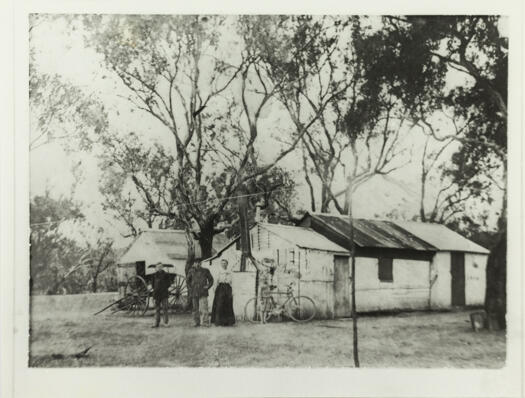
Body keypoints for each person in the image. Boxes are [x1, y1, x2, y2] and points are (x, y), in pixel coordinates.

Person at [187, 260, 214, 327]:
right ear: (194, 264)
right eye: (196, 263)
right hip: (194, 292)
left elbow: (211, 280)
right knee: (195, 308)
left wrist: (207, 286)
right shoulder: (191, 271)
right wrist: (191, 288)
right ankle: (196, 322)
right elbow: (187, 281)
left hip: (203, 292)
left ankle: (205, 322)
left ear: (201, 263)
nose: (197, 264)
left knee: (204, 308)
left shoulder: (205, 270)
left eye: (199, 263)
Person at [211, 259, 236, 326]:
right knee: (219, 304)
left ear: (227, 264)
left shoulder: (230, 272)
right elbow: (216, 280)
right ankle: (218, 322)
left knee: (228, 304)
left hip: (228, 288)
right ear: (221, 264)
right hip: (220, 288)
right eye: (222, 263)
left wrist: (233, 291)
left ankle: (228, 322)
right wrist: (214, 288)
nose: (223, 264)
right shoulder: (219, 271)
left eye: (225, 263)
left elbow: (232, 282)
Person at [151, 262, 171, 328]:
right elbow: (153, 285)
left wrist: (163, 288)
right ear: (156, 268)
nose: (159, 268)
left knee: (165, 308)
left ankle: (166, 323)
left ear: (162, 267)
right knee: (157, 309)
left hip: (164, 294)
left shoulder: (166, 275)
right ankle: (156, 323)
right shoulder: (154, 275)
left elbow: (169, 284)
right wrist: (156, 290)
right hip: (156, 295)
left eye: (160, 267)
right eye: (158, 267)